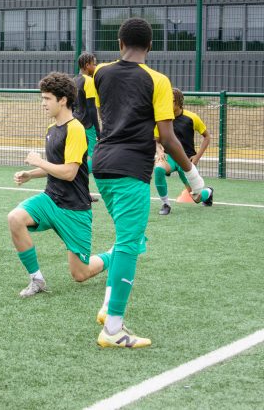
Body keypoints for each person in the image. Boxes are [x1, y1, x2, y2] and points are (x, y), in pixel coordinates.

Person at [91, 17, 206, 348]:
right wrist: (195, 181)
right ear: (151, 47)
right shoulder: (158, 80)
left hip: (103, 164)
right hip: (130, 168)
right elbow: (168, 137)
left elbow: (108, 118)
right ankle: (113, 329)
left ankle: (106, 308)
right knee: (129, 243)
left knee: (131, 238)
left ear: (119, 42)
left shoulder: (100, 73)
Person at [8, 72, 110, 297]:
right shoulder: (51, 129)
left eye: (47, 98)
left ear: (62, 100)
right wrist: (31, 174)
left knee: (80, 274)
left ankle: (114, 255)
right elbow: (54, 166)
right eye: (42, 98)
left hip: (74, 209)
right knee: (15, 218)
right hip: (50, 199)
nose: (43, 103)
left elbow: (70, 172)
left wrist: (39, 161)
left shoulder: (76, 129)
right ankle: (37, 280)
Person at [153, 88, 214, 215]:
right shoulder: (162, 119)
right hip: (170, 157)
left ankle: (208, 192)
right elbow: (156, 140)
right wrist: (159, 152)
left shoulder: (192, 117)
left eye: (171, 101)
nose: (167, 103)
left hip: (186, 160)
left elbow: (207, 137)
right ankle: (165, 204)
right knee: (158, 169)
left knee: (196, 198)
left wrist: (196, 157)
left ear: (178, 102)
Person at [73, 52, 100, 174]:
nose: (96, 66)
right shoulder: (88, 81)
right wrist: (98, 130)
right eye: (94, 64)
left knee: (80, 154)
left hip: (75, 122)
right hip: (88, 125)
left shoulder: (74, 81)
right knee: (93, 156)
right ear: (87, 65)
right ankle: (79, 179)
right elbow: (91, 108)